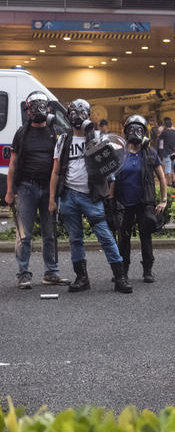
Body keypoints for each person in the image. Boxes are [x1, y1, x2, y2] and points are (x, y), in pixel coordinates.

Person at [48, 99, 128, 293]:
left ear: (88, 115)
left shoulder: (98, 138)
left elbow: (111, 168)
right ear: (68, 116)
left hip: (92, 197)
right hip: (68, 196)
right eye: (73, 113)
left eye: (82, 113)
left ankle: (120, 278)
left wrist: (110, 196)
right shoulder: (63, 140)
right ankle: (82, 278)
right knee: (75, 239)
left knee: (106, 237)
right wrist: (52, 200)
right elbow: (56, 172)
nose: (77, 117)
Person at [5, 92, 69, 289]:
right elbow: (13, 164)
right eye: (34, 105)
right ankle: (23, 274)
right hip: (26, 188)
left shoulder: (56, 132)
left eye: (41, 105)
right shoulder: (21, 134)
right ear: (28, 109)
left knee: (50, 233)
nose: (38, 109)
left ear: (48, 108)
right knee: (24, 234)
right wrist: (9, 191)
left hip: (50, 189)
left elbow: (62, 163)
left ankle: (51, 273)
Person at [111, 115, 168, 284]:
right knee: (123, 238)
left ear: (144, 133)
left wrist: (164, 200)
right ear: (126, 132)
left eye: (139, 129)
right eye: (131, 129)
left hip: (144, 202)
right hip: (124, 203)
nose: (134, 133)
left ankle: (147, 271)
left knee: (146, 237)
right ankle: (123, 271)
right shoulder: (119, 154)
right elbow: (112, 179)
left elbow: (162, 178)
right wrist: (110, 200)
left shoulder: (150, 153)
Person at [158, 117, 175, 187]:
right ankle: (174, 182)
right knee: (173, 169)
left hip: (167, 153)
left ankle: (169, 183)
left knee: (168, 170)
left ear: (165, 125)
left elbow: (159, 139)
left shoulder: (164, 133)